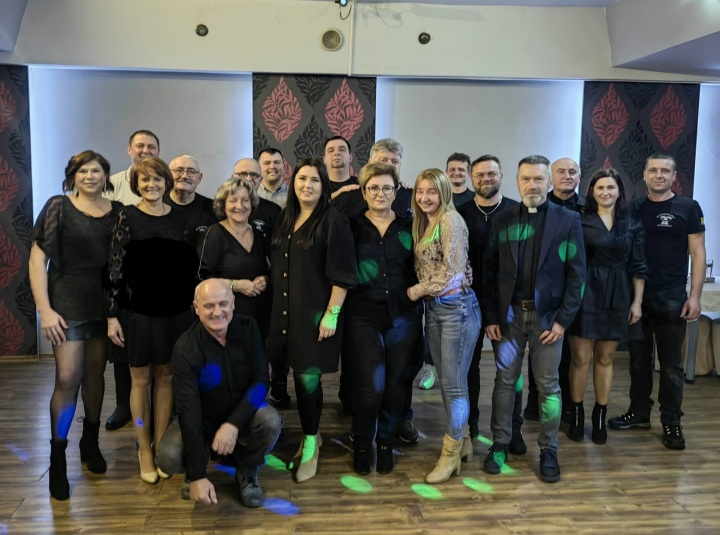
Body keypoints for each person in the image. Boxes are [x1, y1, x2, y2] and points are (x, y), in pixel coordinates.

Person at [483, 155, 585, 484]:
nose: (532, 185)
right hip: (509, 316)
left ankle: (548, 449)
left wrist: (562, 322)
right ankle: (500, 443)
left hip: (548, 320)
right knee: (504, 382)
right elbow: (489, 272)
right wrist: (492, 316)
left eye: (539, 179)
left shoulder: (568, 220)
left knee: (549, 386)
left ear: (549, 182)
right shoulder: (503, 219)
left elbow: (577, 277)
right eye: (526, 179)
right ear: (517, 182)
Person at [29, 150, 120, 500]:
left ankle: (90, 443)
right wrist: (44, 310)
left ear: (106, 176)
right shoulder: (59, 206)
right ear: (73, 176)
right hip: (66, 302)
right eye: (83, 171)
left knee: (96, 374)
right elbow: (37, 261)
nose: (90, 176)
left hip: (103, 303)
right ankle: (57, 459)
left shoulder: (117, 212)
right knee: (68, 377)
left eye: (96, 171)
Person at [106, 156, 198, 484]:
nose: (151, 184)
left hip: (175, 310)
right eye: (144, 179)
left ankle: (160, 446)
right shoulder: (126, 216)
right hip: (138, 311)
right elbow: (115, 268)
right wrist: (112, 315)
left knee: (167, 376)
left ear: (166, 182)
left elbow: (187, 267)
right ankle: (143, 447)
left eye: (157, 179)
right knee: (141, 380)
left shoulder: (181, 218)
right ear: (136, 184)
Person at [267, 158, 357, 483]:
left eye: (315, 180)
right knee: (294, 376)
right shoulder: (285, 218)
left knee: (307, 380)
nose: (307, 185)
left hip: (316, 316)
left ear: (324, 186)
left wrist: (331, 315)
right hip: (283, 314)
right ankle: (312, 432)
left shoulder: (333, 221)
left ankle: (309, 444)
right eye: (302, 179)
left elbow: (343, 275)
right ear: (293, 183)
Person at [609, 154, 706, 450]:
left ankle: (671, 422)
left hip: (672, 296)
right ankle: (639, 412)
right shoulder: (634, 208)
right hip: (637, 296)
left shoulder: (688, 208)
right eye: (653, 170)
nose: (659, 175)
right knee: (638, 361)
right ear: (644, 174)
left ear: (674, 176)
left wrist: (695, 296)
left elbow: (698, 253)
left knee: (671, 364)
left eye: (665, 171)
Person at [155, 279, 281, 508]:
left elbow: (261, 381)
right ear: (196, 307)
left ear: (233, 303)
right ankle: (196, 463)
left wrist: (232, 425)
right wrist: (198, 474)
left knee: (271, 421)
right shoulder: (185, 348)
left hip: (241, 411)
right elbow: (188, 410)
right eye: (209, 306)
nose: (217, 312)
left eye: (223, 304)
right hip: (202, 418)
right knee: (168, 457)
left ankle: (246, 470)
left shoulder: (249, 327)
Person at [345, 162, 422, 475]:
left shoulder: (410, 226)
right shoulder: (350, 226)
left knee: (395, 383)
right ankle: (363, 444)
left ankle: (386, 442)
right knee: (369, 386)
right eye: (373, 188)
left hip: (403, 315)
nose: (380, 193)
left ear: (396, 191)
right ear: (364, 192)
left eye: (387, 188)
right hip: (362, 314)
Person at [407, 168, 480, 484]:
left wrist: (416, 291)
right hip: (436, 309)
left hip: (456, 310)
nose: (425, 197)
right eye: (420, 191)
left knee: (453, 385)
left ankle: (450, 454)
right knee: (451, 384)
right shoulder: (425, 221)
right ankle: (464, 442)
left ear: (444, 193)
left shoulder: (451, 220)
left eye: (432, 191)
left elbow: (452, 273)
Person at [567, 168, 648, 444]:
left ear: (619, 192)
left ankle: (599, 415)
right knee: (580, 358)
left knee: (605, 358)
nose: (605, 192)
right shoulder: (579, 220)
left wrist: (637, 303)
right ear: (592, 191)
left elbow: (638, 266)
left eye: (611, 187)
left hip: (618, 294)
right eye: (600, 187)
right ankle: (577, 414)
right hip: (584, 293)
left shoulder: (632, 224)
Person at [456, 155, 525, 454]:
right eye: (480, 174)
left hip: (506, 306)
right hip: (466, 305)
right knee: (467, 369)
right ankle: (470, 427)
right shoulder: (459, 214)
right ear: (472, 178)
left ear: (501, 176)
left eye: (492, 174)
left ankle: (513, 428)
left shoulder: (516, 211)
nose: (486, 179)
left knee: (509, 371)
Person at [103, 129, 160, 432]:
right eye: (140, 146)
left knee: (158, 357)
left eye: (151, 146)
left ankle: (156, 408)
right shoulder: (112, 186)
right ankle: (124, 406)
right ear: (129, 150)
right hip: (123, 282)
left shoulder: (161, 185)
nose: (145, 151)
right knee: (124, 351)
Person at [525, 157, 585, 423]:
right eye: (561, 171)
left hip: (573, 296)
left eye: (572, 172)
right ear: (552, 178)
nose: (567, 176)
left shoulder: (585, 209)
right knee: (538, 358)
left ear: (580, 177)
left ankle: (569, 408)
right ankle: (533, 403)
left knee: (570, 357)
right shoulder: (535, 206)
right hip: (542, 301)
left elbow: (578, 266)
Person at [198, 177, 272, 341]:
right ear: (223, 205)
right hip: (225, 321)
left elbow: (269, 268)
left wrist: (266, 279)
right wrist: (236, 285)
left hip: (259, 318)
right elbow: (201, 277)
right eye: (233, 201)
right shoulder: (214, 234)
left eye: (245, 200)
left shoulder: (259, 234)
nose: (240, 206)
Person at [166, 154, 217, 247]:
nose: (185, 176)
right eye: (179, 170)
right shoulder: (156, 204)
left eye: (191, 172)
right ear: (169, 175)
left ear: (199, 178)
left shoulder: (213, 208)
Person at [232, 157, 282, 239]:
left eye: (253, 175)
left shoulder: (274, 211)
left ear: (260, 179)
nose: (248, 179)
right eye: (243, 174)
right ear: (233, 178)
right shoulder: (220, 209)